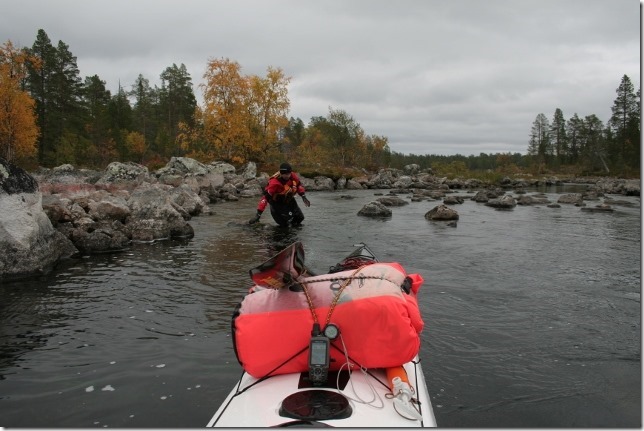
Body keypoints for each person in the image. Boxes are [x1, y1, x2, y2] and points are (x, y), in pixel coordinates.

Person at [248, 162, 311, 227]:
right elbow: (265, 198)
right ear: (281, 173)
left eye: (289, 173)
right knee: (286, 224)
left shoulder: (292, 176)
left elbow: (298, 186)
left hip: (288, 199)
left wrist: (303, 196)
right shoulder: (274, 183)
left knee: (300, 218)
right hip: (277, 204)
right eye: (285, 174)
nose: (287, 176)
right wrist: (258, 214)